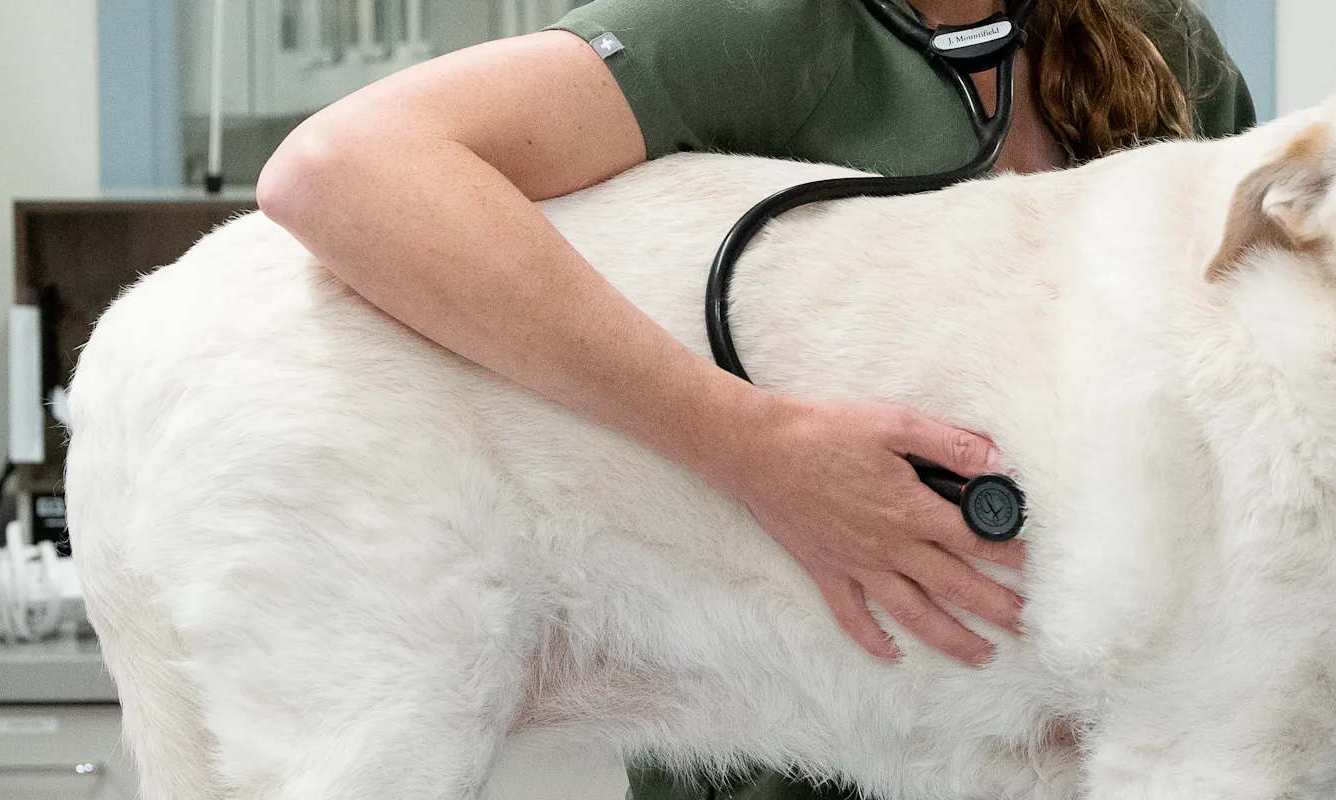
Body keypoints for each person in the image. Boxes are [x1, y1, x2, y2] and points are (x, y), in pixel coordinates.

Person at [253, 0, 1256, 797]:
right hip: (787, 752)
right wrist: (755, 448)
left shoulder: (1162, 48)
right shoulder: (749, 26)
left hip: (1102, 742)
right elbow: (343, 171)